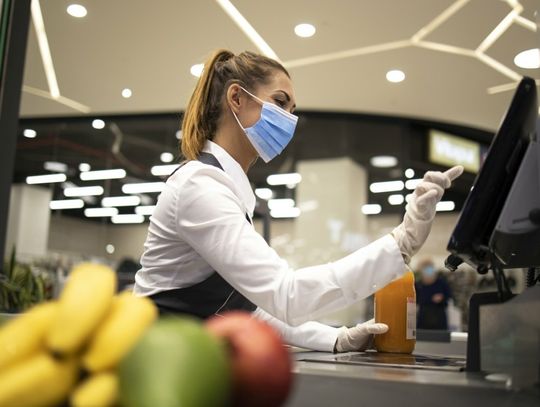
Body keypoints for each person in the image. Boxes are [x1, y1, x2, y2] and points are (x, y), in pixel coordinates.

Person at [133, 49, 463, 352]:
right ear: (236, 97)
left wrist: (337, 338)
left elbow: (253, 311)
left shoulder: (226, 188)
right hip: (153, 362)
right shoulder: (200, 187)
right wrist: (401, 242)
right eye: (280, 102)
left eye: (292, 110)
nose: (289, 120)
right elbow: (286, 294)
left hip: (185, 357)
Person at [415, 259, 452, 330]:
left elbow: (448, 295)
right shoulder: (419, 284)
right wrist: (431, 299)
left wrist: (442, 298)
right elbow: (417, 300)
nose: (428, 270)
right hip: (423, 318)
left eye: (429, 267)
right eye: (425, 268)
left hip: (439, 318)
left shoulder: (441, 283)